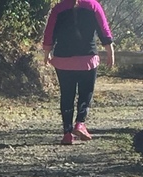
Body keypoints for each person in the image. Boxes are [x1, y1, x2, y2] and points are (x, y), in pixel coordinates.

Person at [42, 0, 115, 145]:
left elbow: (50, 31)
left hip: (63, 60)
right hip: (87, 59)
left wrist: (47, 51)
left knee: (67, 94)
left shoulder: (59, 8)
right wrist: (110, 51)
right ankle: (80, 123)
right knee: (86, 92)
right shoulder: (93, 5)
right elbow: (103, 28)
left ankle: (67, 133)